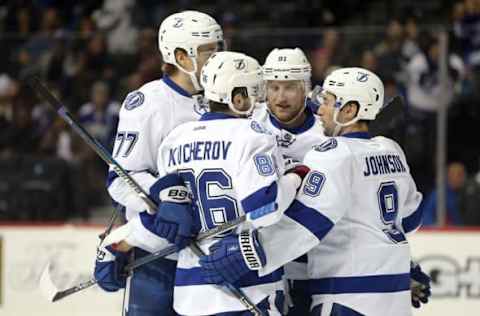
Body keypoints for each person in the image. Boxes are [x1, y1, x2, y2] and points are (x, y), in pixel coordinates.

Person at [200, 67, 431, 315]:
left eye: (329, 102)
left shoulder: (333, 153)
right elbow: (408, 220)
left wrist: (251, 252)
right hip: (394, 295)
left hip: (347, 297)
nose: (320, 109)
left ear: (350, 110)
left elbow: (307, 223)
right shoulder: (391, 149)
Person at [152, 51, 309, 315]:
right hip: (247, 287)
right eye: (254, 92)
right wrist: (296, 176)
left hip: (190, 294)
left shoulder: (175, 139)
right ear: (237, 98)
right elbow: (266, 210)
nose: (259, 100)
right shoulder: (253, 135)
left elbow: (165, 210)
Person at [94, 10, 224, 316]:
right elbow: (121, 179)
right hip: (158, 255)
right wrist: (166, 196)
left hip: (208, 255)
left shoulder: (226, 99)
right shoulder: (149, 102)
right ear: (180, 55)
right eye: (208, 52)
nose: (217, 59)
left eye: (219, 49)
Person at [253, 47, 327, 315]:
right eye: (273, 88)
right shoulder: (251, 124)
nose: (280, 97)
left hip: (313, 257)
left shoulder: (326, 130)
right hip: (260, 257)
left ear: (305, 88)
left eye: (289, 88)